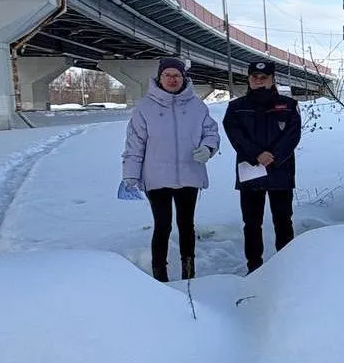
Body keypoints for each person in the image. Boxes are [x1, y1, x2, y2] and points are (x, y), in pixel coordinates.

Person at [122, 57, 220, 282]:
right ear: (160, 77)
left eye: (177, 75)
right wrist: (130, 174)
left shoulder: (197, 106)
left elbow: (211, 132)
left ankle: (189, 273)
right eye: (168, 75)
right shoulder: (145, 107)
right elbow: (134, 143)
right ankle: (160, 276)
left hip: (189, 175)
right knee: (162, 226)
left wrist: (208, 147)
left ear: (184, 77)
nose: (172, 79)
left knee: (186, 225)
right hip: (156, 178)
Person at [223, 60, 302, 273]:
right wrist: (257, 154)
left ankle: (285, 267)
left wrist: (274, 156)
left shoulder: (288, 105)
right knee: (251, 224)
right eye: (255, 77)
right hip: (251, 172)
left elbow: (293, 135)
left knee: (283, 221)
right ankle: (254, 267)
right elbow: (235, 136)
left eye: (264, 77)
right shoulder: (235, 108)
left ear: (272, 79)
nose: (259, 81)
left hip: (280, 172)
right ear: (249, 79)